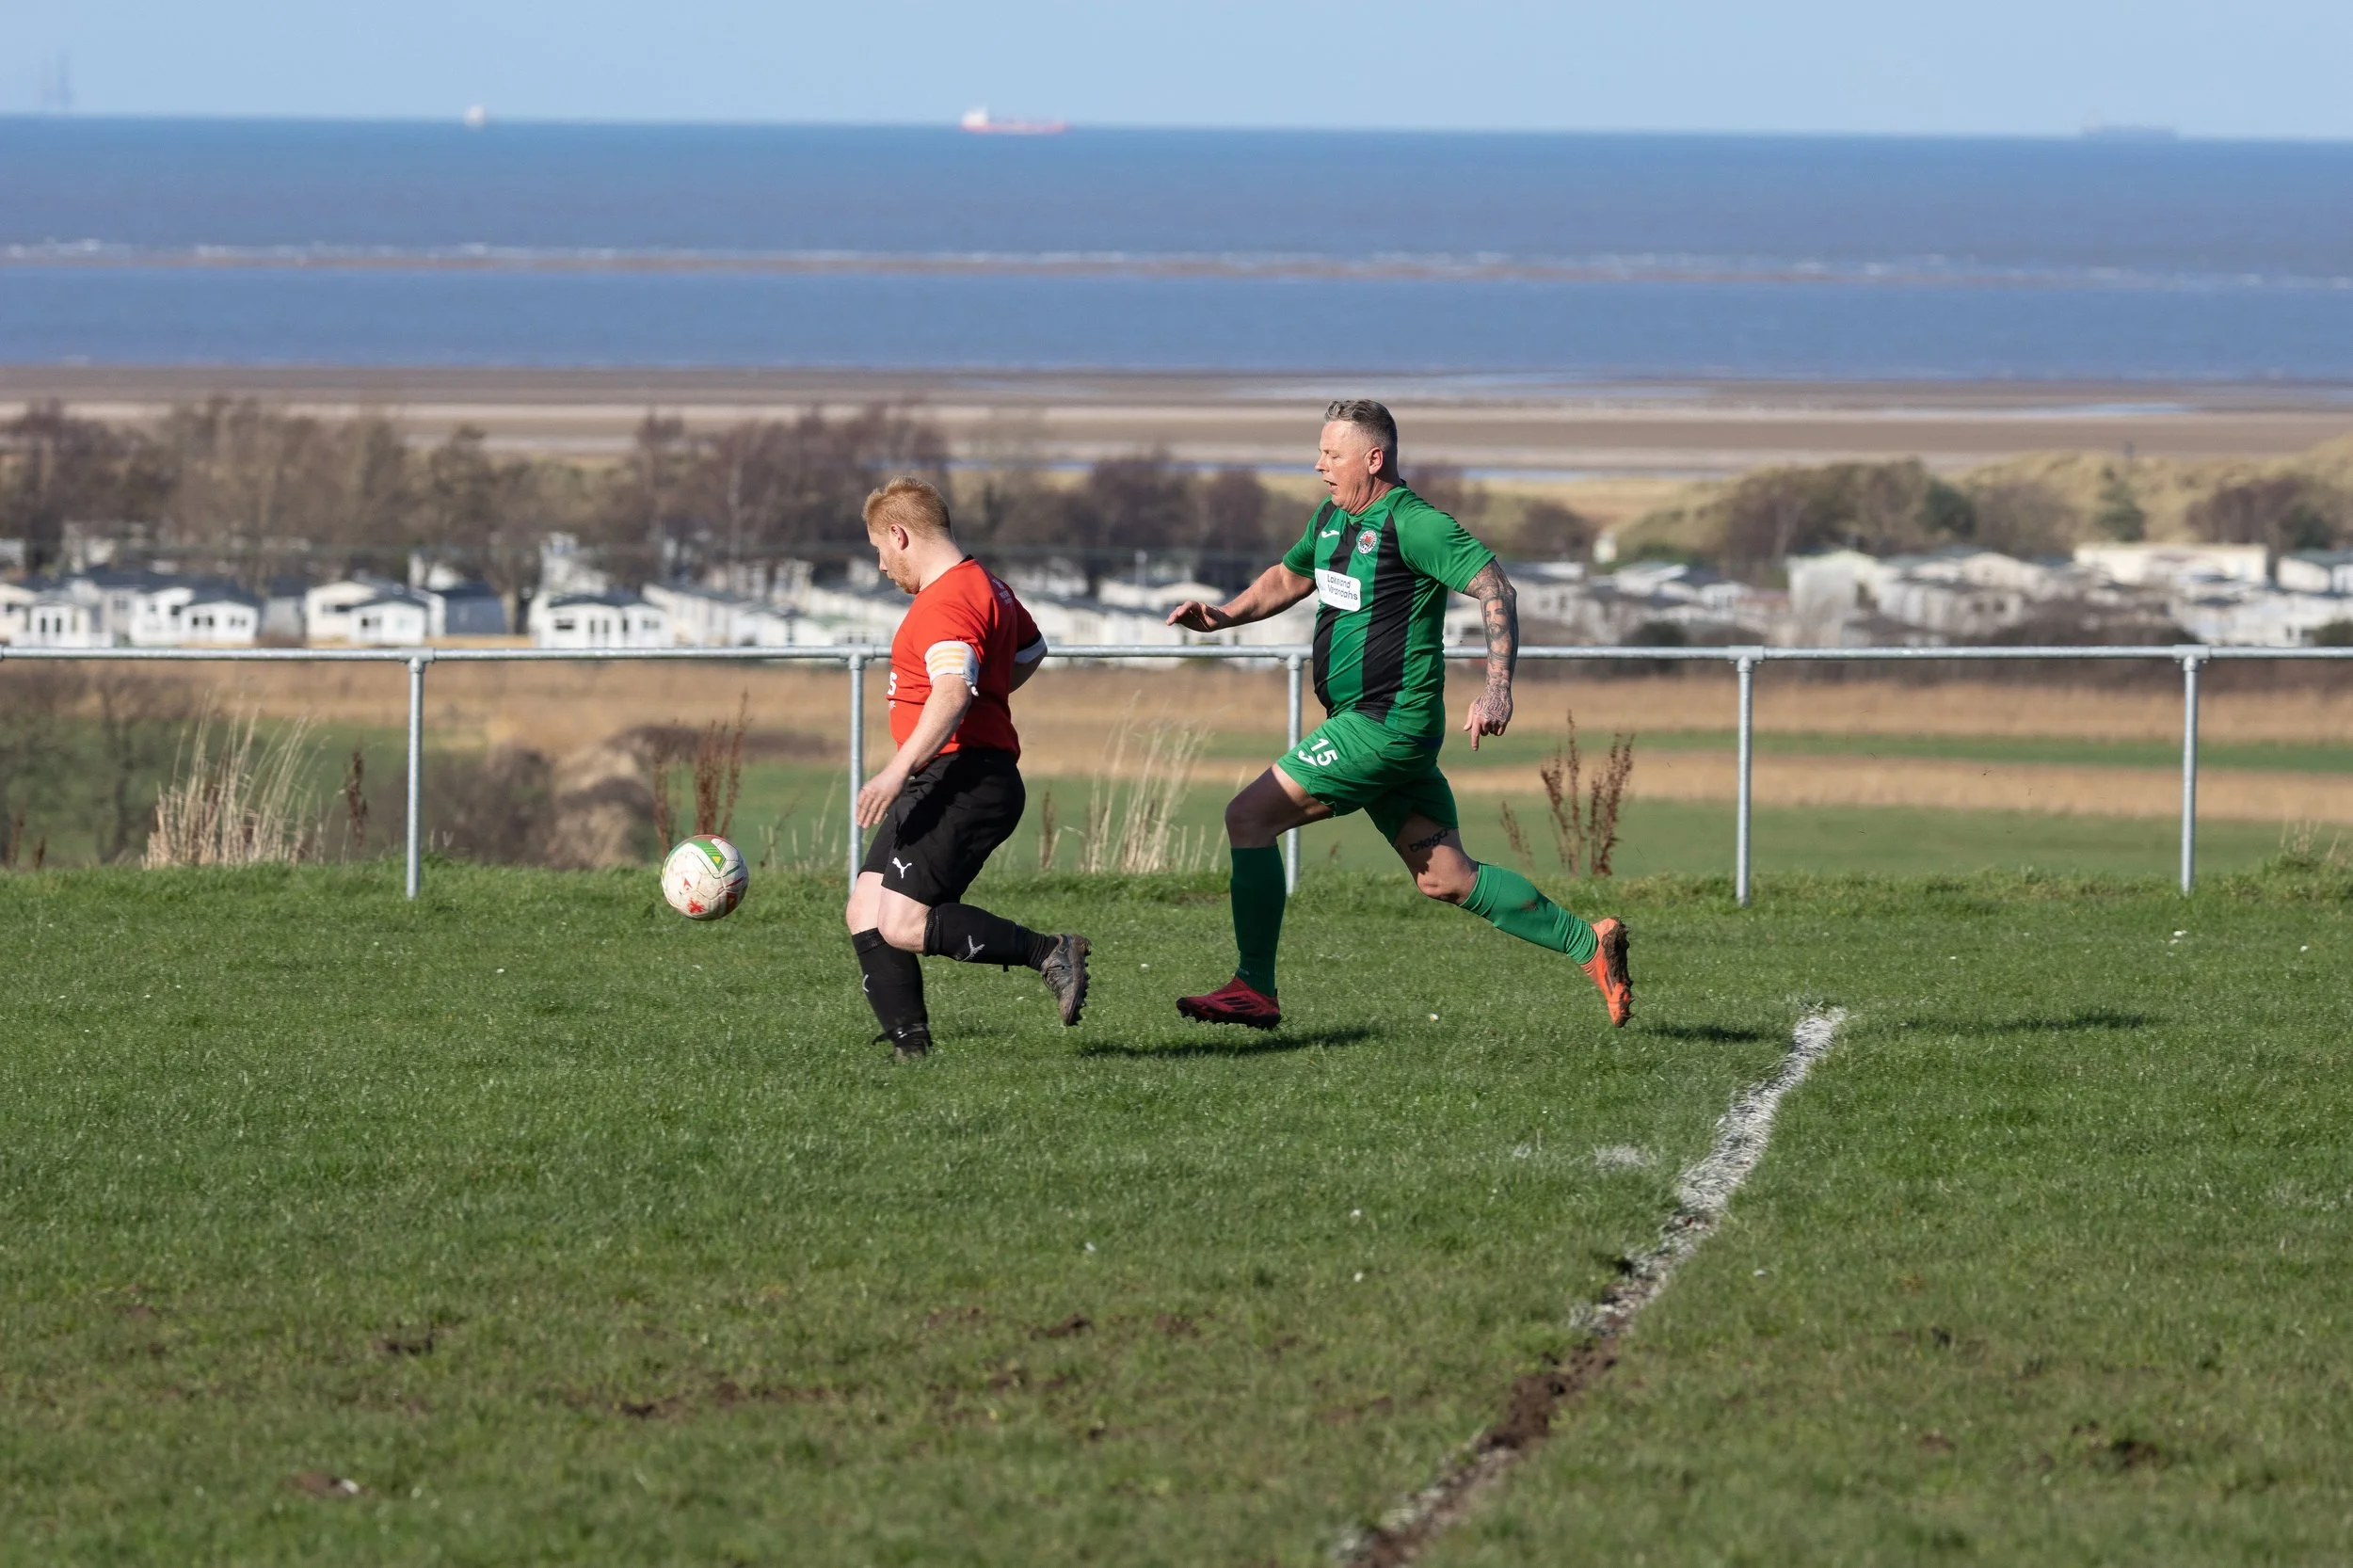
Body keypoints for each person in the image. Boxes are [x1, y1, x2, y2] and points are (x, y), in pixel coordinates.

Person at [1163, 400, 1632, 1031]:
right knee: (1447, 878)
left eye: (1333, 454)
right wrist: (1222, 616)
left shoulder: (1415, 525)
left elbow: (1497, 588)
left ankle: (1254, 987)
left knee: (1248, 816)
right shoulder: (1331, 519)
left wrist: (1497, 690)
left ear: (1373, 459)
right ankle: (1589, 943)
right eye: (1320, 452)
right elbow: (1286, 576)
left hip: (1382, 728)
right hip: (1379, 732)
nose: (1319, 465)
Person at [846, 477, 1089, 1059]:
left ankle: (1048, 951)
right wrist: (989, 698)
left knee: (903, 923)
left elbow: (952, 692)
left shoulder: (945, 602)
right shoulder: (990, 587)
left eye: (879, 549)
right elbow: (1031, 651)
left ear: (900, 535)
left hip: (959, 779)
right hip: (955, 773)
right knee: (866, 909)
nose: (881, 566)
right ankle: (911, 1048)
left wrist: (897, 769)